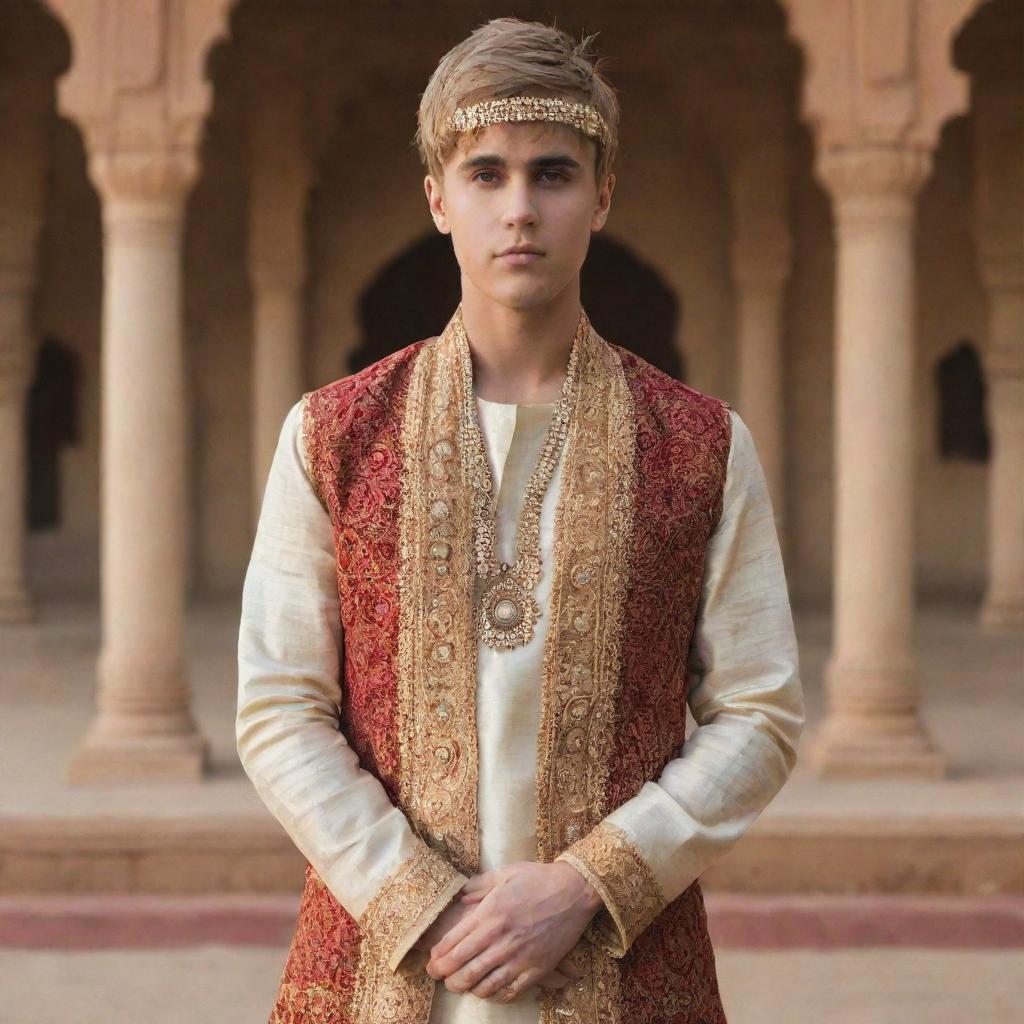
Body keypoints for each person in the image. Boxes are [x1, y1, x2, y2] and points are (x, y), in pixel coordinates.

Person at [236, 16, 804, 1024]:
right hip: (384, 965)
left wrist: (586, 883)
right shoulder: (334, 435)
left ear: (601, 197)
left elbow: (758, 714)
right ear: (438, 200)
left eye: (552, 174)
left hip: (624, 966)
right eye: (486, 174)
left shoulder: (700, 443)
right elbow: (280, 708)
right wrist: (416, 897)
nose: (520, 210)